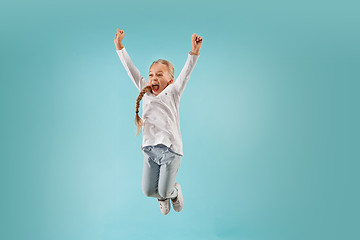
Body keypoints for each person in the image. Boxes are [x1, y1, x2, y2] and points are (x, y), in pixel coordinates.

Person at [114, 27, 202, 215]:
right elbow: (131, 69)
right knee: (148, 191)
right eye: (152, 74)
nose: (154, 78)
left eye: (159, 75)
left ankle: (174, 192)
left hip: (171, 150)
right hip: (150, 149)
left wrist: (194, 52)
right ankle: (163, 195)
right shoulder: (145, 91)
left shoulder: (173, 92)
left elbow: (186, 72)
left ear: (170, 80)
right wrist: (120, 47)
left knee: (163, 190)